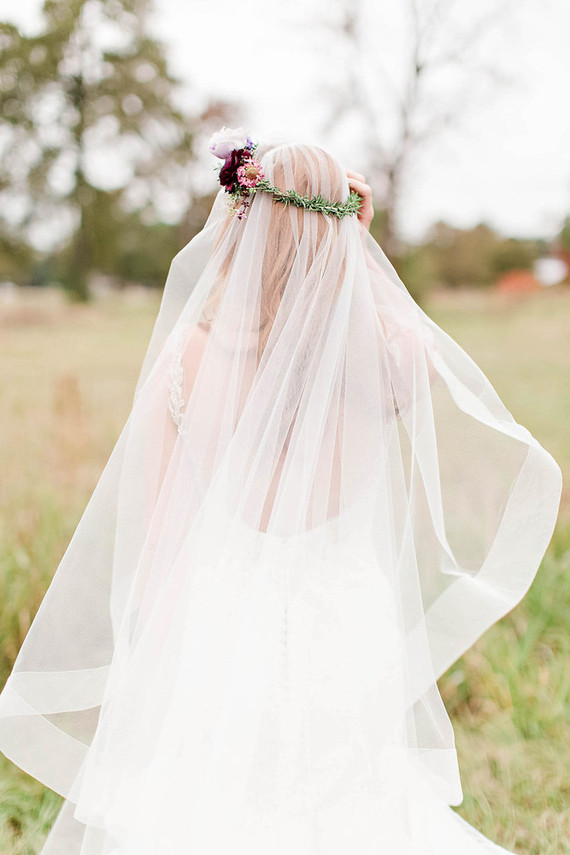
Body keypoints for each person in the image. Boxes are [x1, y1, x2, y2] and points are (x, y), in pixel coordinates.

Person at [0, 129, 562, 854]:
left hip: (219, 624)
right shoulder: (384, 359)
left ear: (242, 224)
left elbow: (158, 537)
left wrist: (154, 665)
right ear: (344, 235)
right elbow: (413, 339)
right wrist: (355, 246)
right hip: (344, 629)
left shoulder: (190, 357)